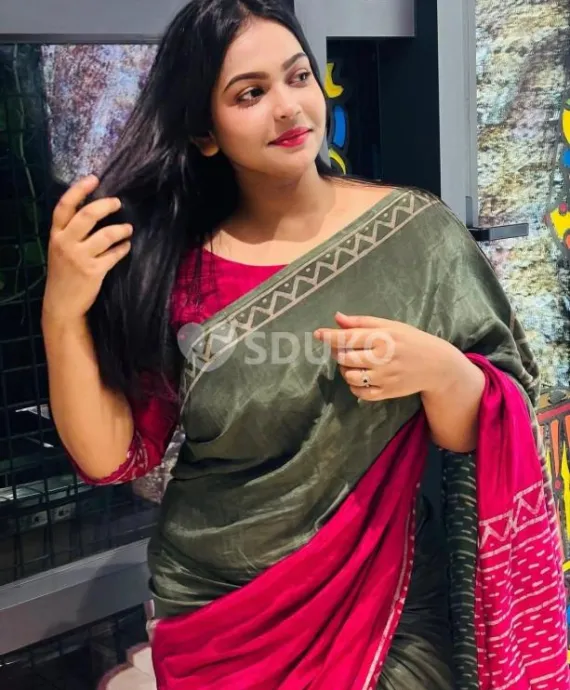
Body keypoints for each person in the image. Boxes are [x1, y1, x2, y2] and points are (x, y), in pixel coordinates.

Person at [41, 1, 569, 689]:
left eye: (297, 77)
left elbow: (504, 418)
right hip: (220, 617)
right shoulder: (176, 271)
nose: (288, 107)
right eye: (250, 94)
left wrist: (441, 372)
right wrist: (62, 312)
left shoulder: (417, 236)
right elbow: (116, 456)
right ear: (204, 132)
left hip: (388, 606)